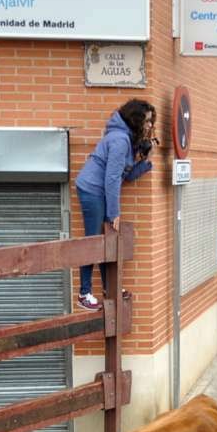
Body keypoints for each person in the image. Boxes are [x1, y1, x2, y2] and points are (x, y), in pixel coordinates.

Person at [74, 99, 155, 311]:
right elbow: (111, 179)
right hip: (92, 189)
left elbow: (125, 176)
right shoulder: (120, 140)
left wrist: (145, 162)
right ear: (136, 119)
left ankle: (109, 288)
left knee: (106, 240)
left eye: (151, 121)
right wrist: (113, 213)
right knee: (94, 240)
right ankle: (84, 293)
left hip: (100, 190)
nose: (149, 125)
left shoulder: (126, 139)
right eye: (147, 121)